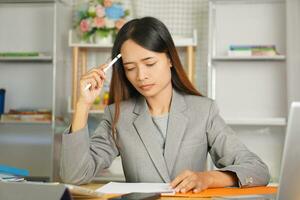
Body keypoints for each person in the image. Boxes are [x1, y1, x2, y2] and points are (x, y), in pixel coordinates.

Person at [60, 17, 270, 193]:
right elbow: (74, 176)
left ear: (169, 59)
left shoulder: (203, 111)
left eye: (149, 63)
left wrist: (207, 179)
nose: (141, 76)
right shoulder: (118, 115)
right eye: (130, 68)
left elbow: (258, 170)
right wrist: (82, 106)